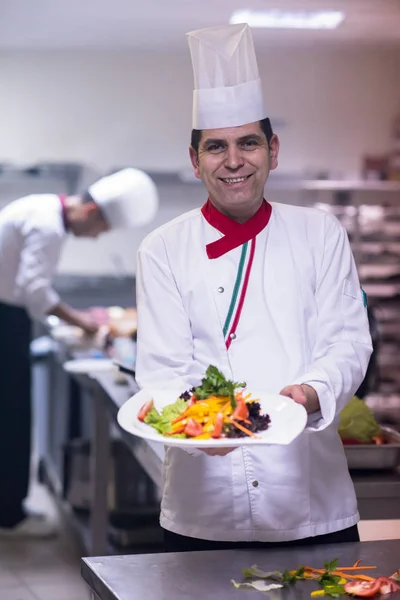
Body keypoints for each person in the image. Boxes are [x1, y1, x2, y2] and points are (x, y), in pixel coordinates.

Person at [135, 23, 373, 553]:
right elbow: (162, 371)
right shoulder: (162, 248)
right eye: (216, 147)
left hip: (311, 502)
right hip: (204, 509)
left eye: (249, 142)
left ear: (273, 150)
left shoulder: (320, 233)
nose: (234, 160)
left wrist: (312, 391)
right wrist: (201, 429)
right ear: (195, 161)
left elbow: (349, 341)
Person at [0, 167, 158, 538]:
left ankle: (7, 510)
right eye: (101, 229)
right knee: (11, 413)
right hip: (4, 316)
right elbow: (34, 289)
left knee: (10, 413)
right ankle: (9, 518)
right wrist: (84, 323)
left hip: (8, 313)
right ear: (90, 212)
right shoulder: (49, 225)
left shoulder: (41, 209)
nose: (97, 237)